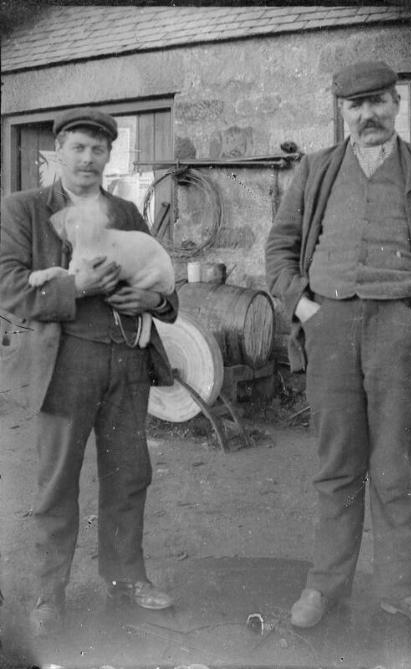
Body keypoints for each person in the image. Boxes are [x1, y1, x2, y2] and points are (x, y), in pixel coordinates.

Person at [265, 61, 411, 635]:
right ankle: (324, 586)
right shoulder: (315, 171)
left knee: (391, 469)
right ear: (343, 113)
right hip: (329, 326)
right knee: (337, 468)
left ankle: (398, 589)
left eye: (379, 102)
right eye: (357, 106)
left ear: (396, 104)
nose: (368, 115)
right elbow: (279, 249)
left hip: (400, 333)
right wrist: (304, 307)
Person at [0, 108, 179, 637]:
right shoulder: (25, 209)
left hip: (127, 360)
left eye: (98, 150)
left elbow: (164, 288)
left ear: (108, 156)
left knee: (129, 474)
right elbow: (8, 287)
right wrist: (75, 289)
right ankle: (48, 592)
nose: (88, 158)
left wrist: (154, 298)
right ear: (58, 152)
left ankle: (127, 578)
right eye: (77, 148)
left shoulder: (125, 211)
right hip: (64, 363)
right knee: (57, 484)